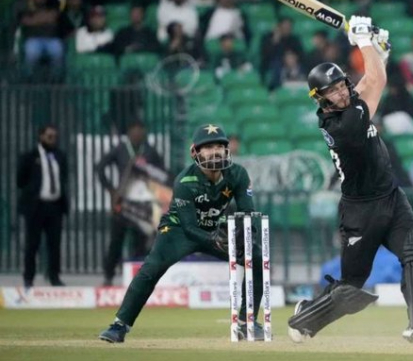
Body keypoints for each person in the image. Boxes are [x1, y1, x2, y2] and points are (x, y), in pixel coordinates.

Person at [287, 16, 413, 344]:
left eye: (342, 85)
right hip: (360, 212)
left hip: (391, 197)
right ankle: (305, 317)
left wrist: (374, 52)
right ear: (321, 98)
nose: (341, 93)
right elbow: (375, 83)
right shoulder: (340, 126)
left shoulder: (351, 103)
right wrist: (365, 43)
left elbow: (373, 81)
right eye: (331, 91)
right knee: (352, 286)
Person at [99, 124, 264, 343]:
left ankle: (247, 322)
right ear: (195, 152)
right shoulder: (184, 181)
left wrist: (247, 234)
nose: (215, 152)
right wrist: (215, 239)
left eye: (219, 146)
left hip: (215, 227)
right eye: (208, 148)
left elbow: (248, 212)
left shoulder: (238, 174)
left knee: (256, 256)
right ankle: (119, 325)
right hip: (179, 230)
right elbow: (189, 227)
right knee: (151, 269)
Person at [96, 121, 165, 286]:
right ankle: (108, 276)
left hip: (143, 204)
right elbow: (100, 167)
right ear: (128, 132)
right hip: (123, 202)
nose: (138, 134)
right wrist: (111, 190)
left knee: (140, 242)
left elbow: (162, 174)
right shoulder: (120, 149)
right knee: (116, 240)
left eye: (141, 131)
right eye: (135, 131)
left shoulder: (150, 151)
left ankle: (137, 278)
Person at [17, 124, 68, 287]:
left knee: (55, 244)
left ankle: (54, 276)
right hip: (36, 207)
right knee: (32, 244)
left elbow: (63, 178)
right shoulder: (30, 156)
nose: (52, 140)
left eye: (55, 137)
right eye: (49, 136)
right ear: (41, 136)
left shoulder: (59, 156)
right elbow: (20, 180)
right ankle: (29, 277)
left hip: (55, 206)